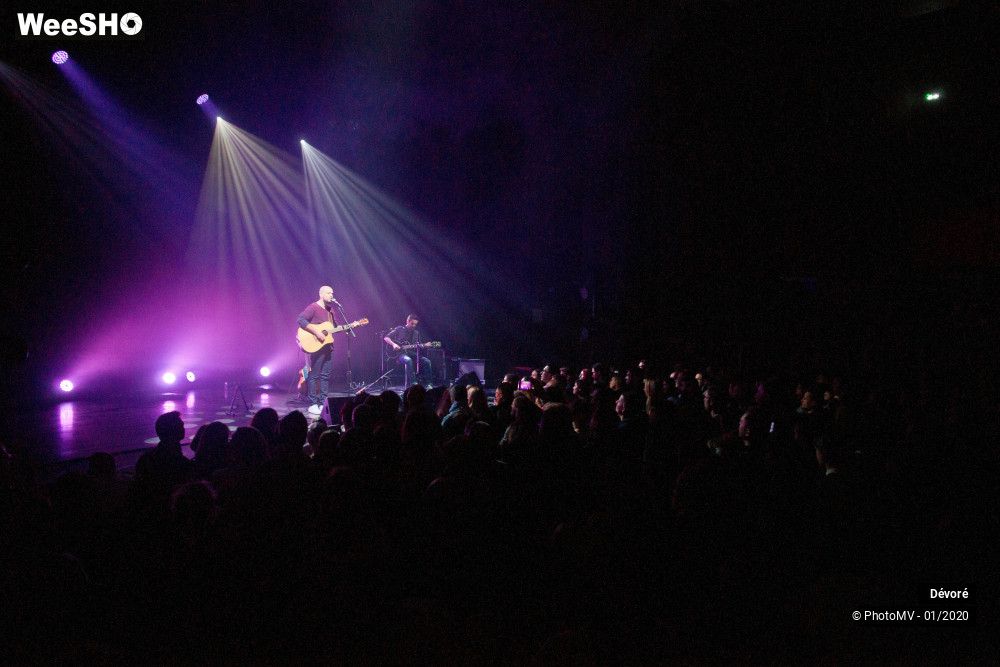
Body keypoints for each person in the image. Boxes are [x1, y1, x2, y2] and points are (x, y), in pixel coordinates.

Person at [298, 286, 338, 415]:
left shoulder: (331, 310)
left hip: (328, 346)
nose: (331, 295)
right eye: (329, 293)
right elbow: (300, 319)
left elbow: (334, 327)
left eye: (332, 293)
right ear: (321, 294)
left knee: (325, 375)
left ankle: (322, 403)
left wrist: (349, 326)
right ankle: (313, 403)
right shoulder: (313, 307)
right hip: (316, 345)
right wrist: (317, 332)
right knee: (314, 375)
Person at [383, 313, 432, 386]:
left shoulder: (416, 333)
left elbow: (418, 345)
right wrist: (394, 344)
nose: (414, 326)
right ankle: (414, 383)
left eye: (415, 324)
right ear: (407, 321)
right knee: (408, 360)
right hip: (400, 354)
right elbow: (386, 338)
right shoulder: (399, 329)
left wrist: (424, 346)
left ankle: (429, 383)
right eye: (412, 324)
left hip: (413, 354)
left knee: (427, 361)